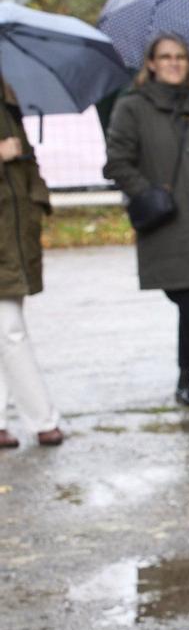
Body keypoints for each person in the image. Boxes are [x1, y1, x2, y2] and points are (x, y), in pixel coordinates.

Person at [103, 34, 189, 407]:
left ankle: (185, 380)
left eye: (181, 57)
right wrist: (149, 192)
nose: (174, 63)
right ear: (150, 63)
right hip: (169, 224)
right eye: (166, 57)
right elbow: (117, 162)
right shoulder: (132, 107)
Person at [0, 76, 61, 447]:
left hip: (14, 234)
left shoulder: (8, 99)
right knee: (11, 331)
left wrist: (37, 199)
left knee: (5, 330)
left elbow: (25, 163)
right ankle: (42, 419)